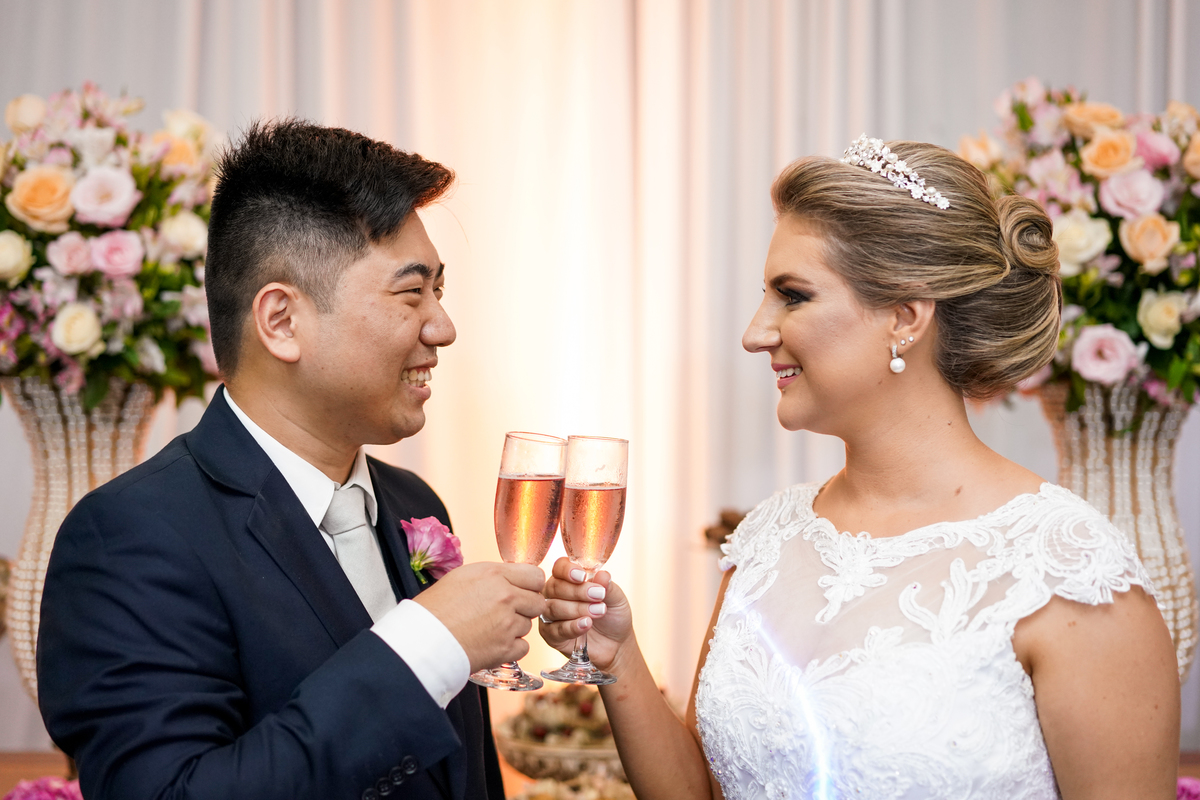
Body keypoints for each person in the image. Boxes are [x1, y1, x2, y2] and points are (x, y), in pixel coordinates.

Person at [540, 137, 1180, 799]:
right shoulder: (769, 538)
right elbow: (705, 791)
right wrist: (617, 660)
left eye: (792, 296)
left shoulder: (1069, 575)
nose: (756, 332)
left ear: (905, 318)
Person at [37, 120, 548, 800]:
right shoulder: (131, 537)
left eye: (440, 291)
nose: (442, 327)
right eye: (410, 292)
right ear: (281, 320)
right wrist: (424, 644)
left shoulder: (414, 506)